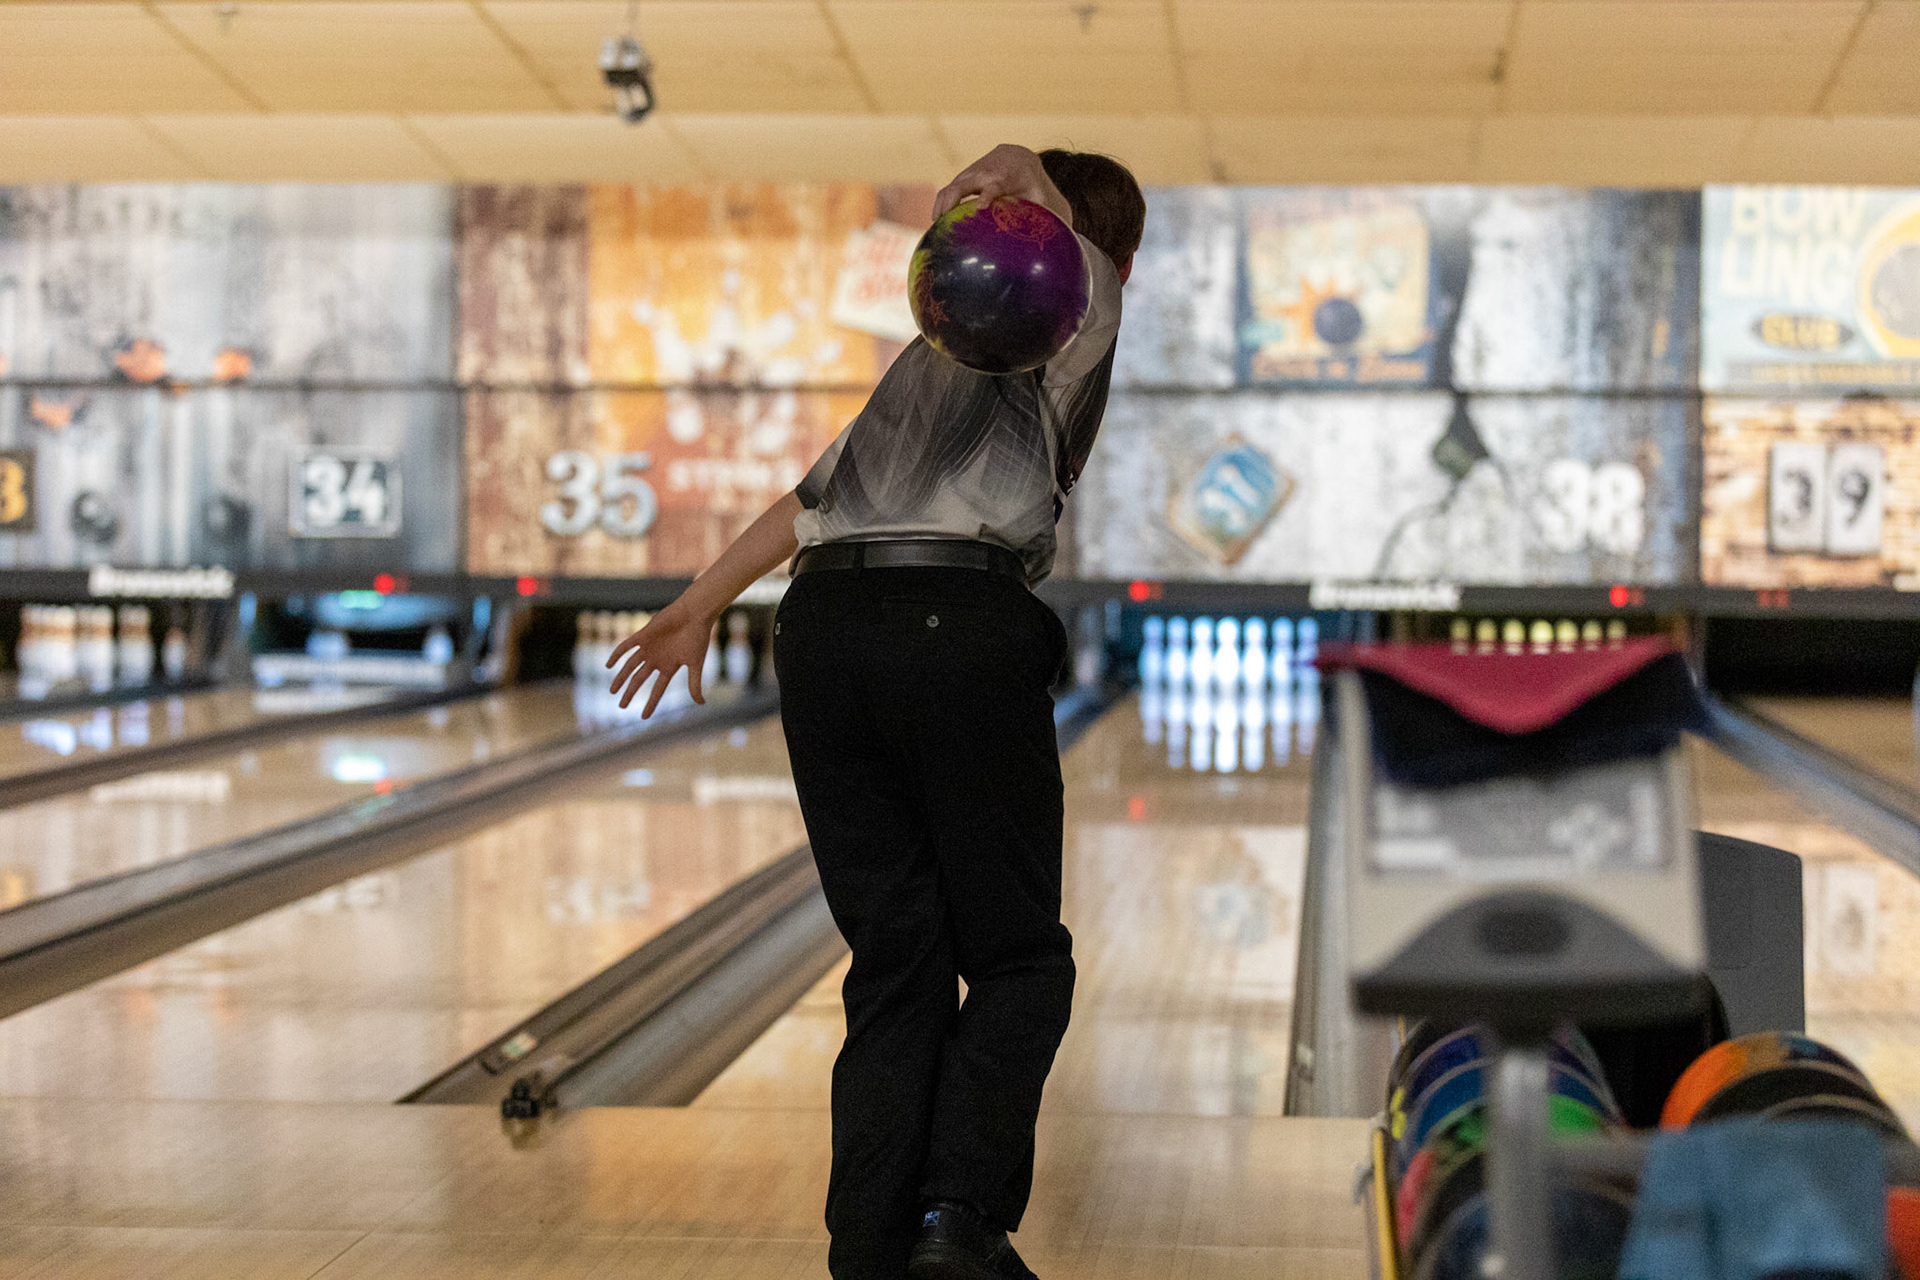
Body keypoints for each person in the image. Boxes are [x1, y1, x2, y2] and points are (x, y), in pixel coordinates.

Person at [608, 143, 1144, 1280]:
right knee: (1015, 962)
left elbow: (809, 508)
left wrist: (698, 603)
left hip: (824, 635)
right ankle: (955, 1222)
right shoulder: (1078, 295)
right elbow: (1033, 189)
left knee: (896, 964)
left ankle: (868, 1252)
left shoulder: (932, 350)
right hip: (959, 620)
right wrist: (1004, 172)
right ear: (1115, 252)